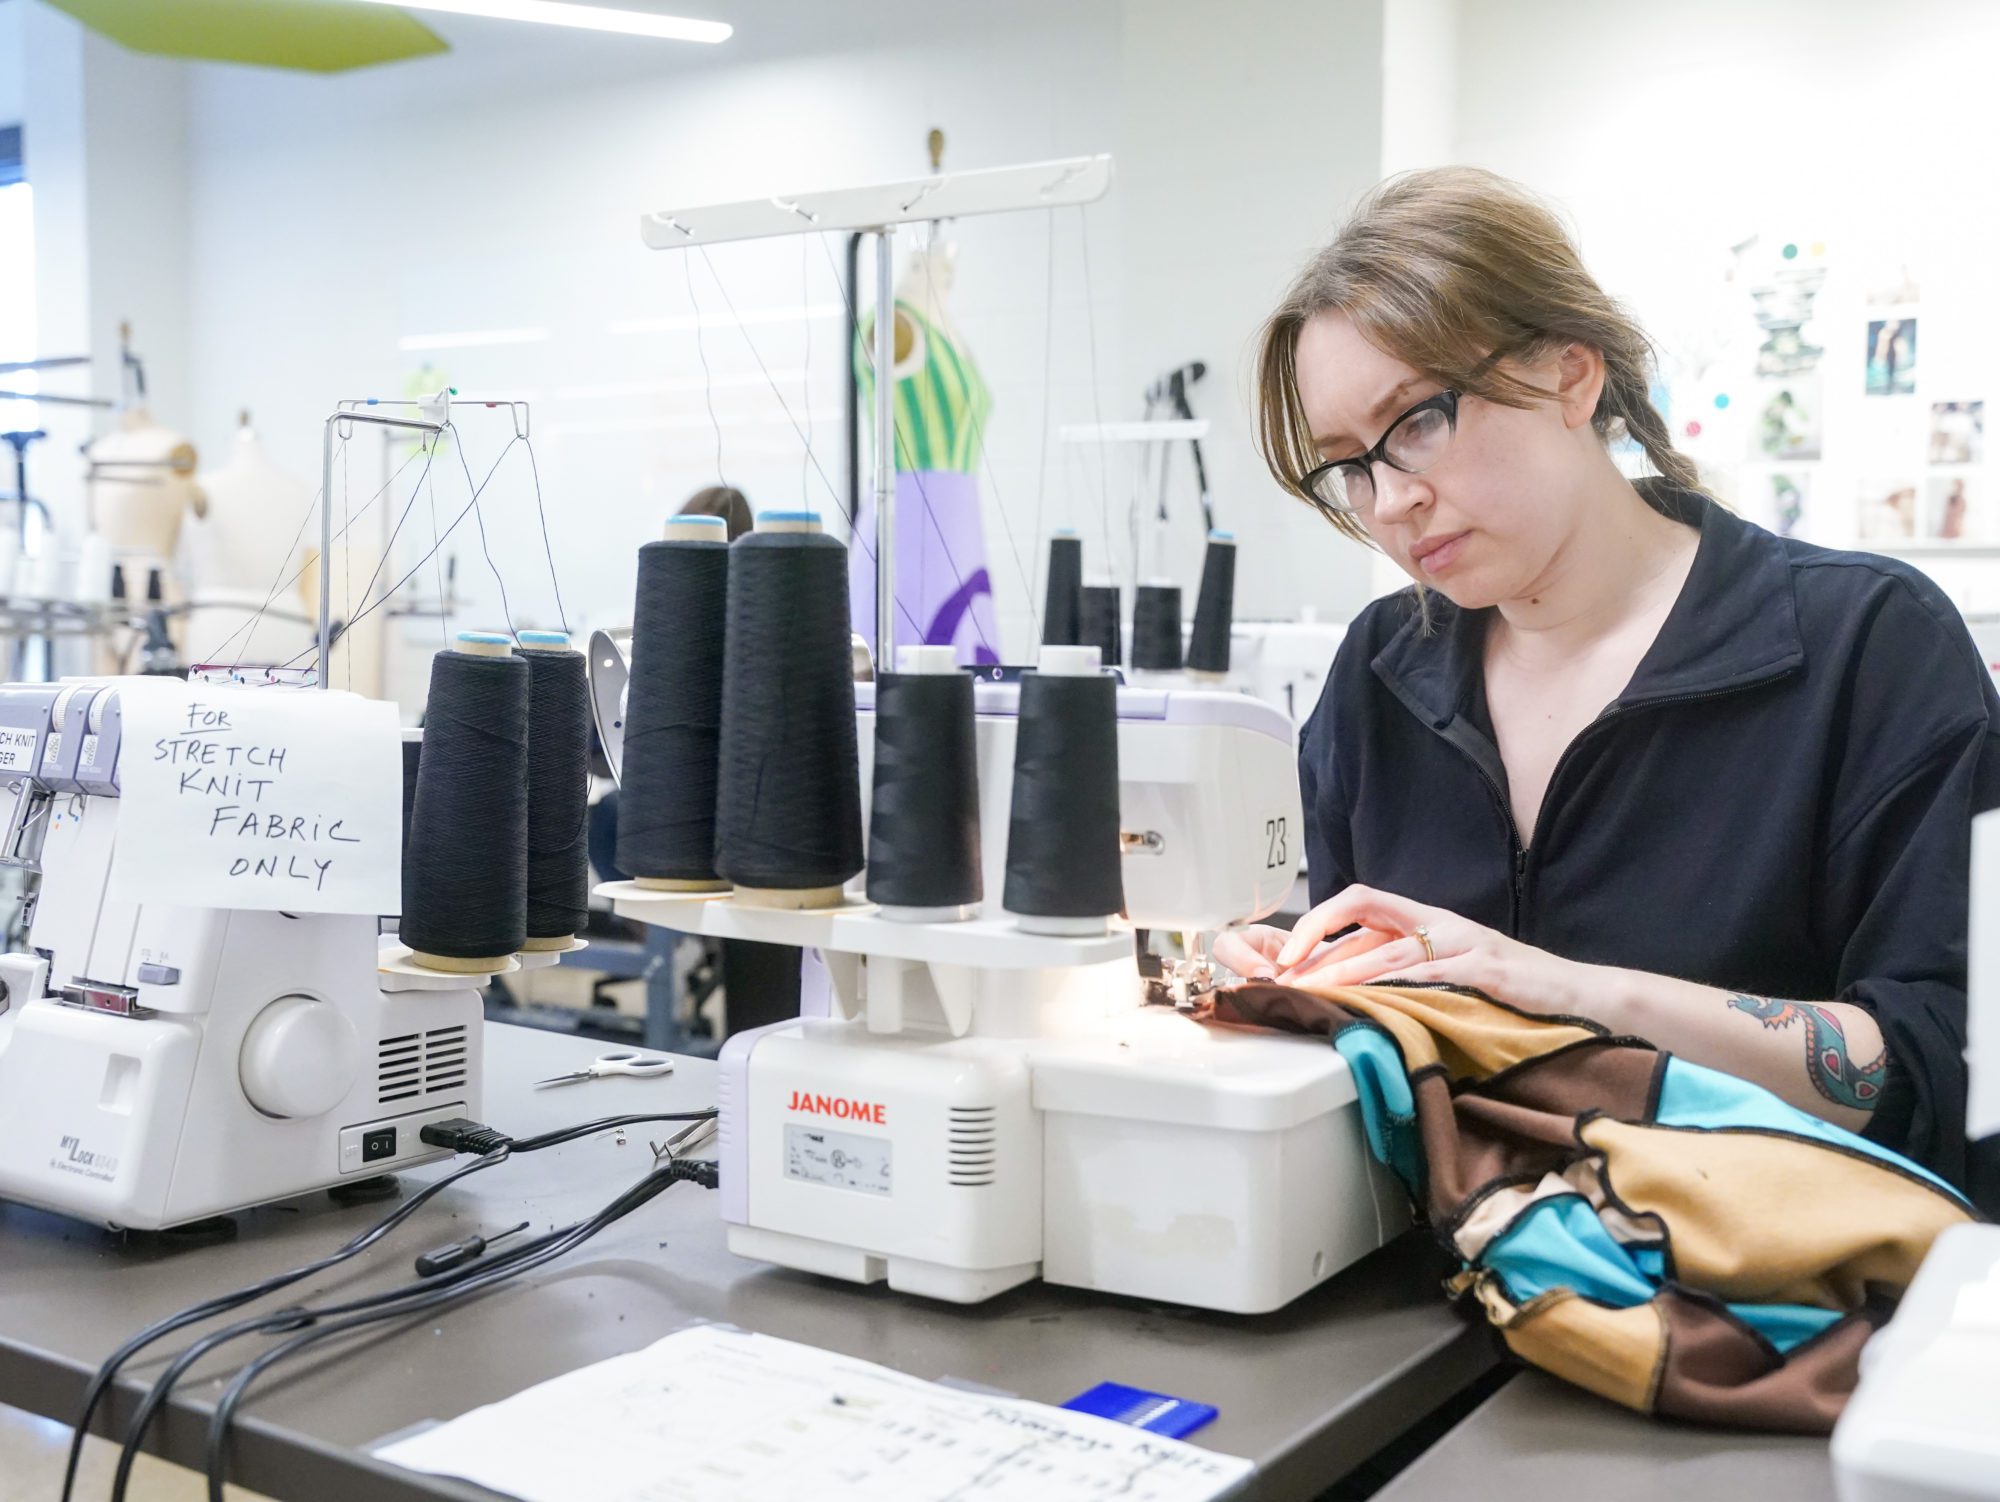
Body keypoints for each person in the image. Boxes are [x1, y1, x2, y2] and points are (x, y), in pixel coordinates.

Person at [1216, 167, 1998, 1210]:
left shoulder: (1864, 647)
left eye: (1416, 421)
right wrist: (1282, 975)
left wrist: (1569, 995)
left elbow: (1943, 1063)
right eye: (1347, 465)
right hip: (1448, 1286)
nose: (1391, 499)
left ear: (1570, 375)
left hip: (1764, 1315)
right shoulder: (1378, 672)